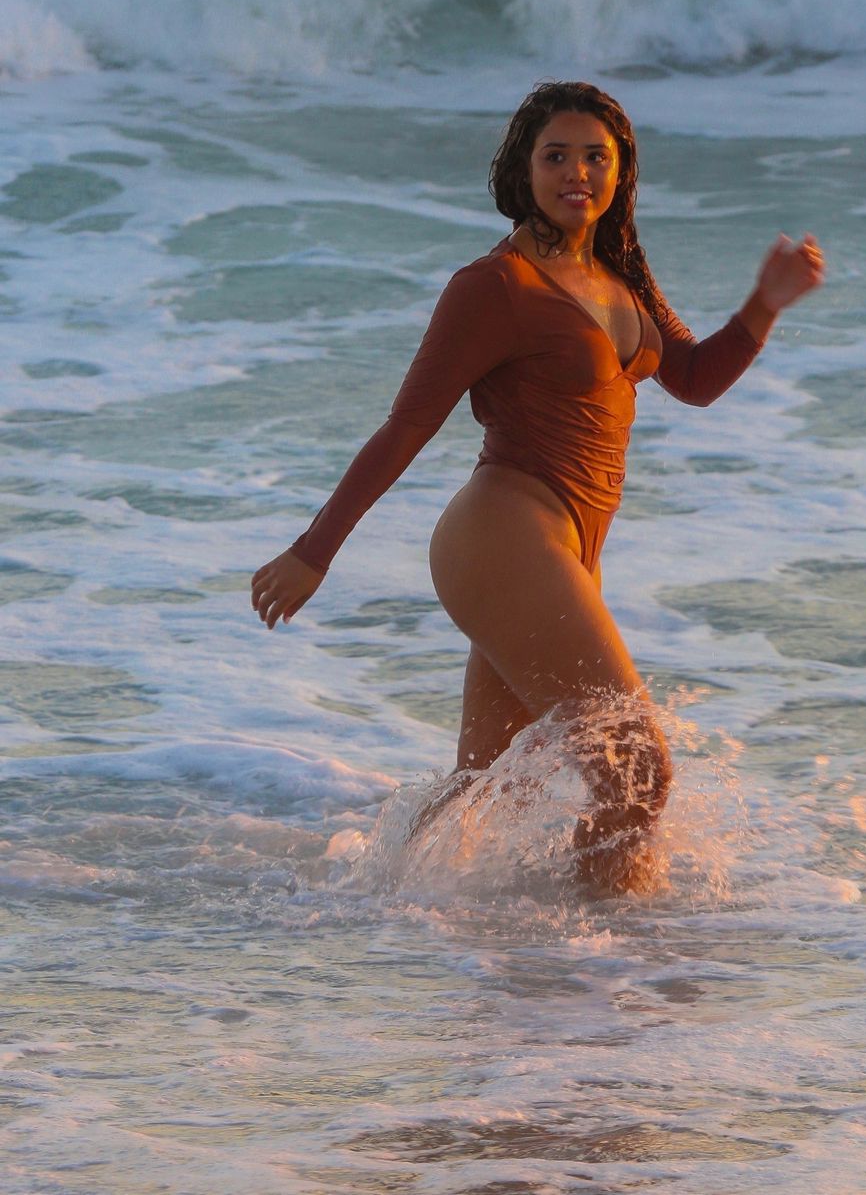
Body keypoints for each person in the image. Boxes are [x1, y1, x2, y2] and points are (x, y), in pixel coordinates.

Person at [251, 80, 824, 892]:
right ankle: (607, 947)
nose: (576, 173)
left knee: (485, 785)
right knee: (637, 771)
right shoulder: (495, 286)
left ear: (621, 171)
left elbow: (694, 377)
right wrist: (314, 551)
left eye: (596, 157)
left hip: (563, 553)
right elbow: (407, 425)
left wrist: (764, 305)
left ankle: (377, 902)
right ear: (523, 169)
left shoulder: (619, 273)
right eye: (556, 156)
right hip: (504, 538)